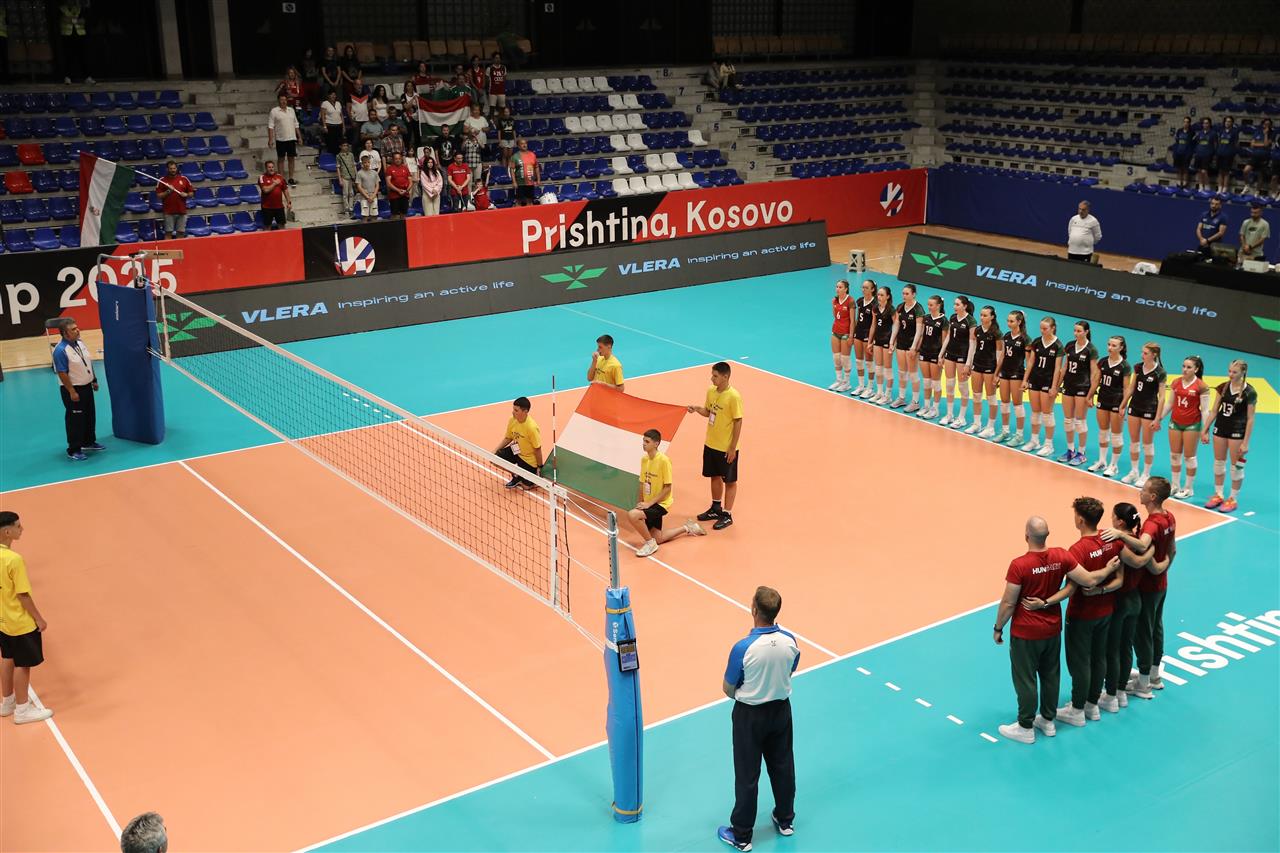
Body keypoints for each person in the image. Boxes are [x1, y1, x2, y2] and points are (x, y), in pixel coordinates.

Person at [992, 515, 1110, 744]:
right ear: (1047, 535)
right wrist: (1108, 568)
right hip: (1052, 630)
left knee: (1026, 680)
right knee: (1050, 675)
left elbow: (1008, 603)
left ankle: (1025, 726)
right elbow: (1087, 580)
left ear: (1026, 536)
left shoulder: (1019, 565)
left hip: (1026, 633)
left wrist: (998, 627)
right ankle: (1047, 721)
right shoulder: (1061, 555)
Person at [1019, 497, 1126, 727]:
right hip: (1106, 611)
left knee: (1080, 663)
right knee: (1099, 657)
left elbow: (1070, 589)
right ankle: (1092, 705)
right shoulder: (1112, 540)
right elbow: (1119, 580)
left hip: (1082, 616)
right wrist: (1102, 590)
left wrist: (1045, 602)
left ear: (1080, 520)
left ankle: (1077, 710)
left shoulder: (1078, 550)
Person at [717, 586, 798, 851]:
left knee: (747, 775)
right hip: (781, 712)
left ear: (754, 609)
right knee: (783, 766)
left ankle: (742, 835)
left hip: (749, 717)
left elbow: (728, 688)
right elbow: (790, 669)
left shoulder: (743, 648)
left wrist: (750, 693)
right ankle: (785, 820)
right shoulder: (790, 641)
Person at [1102, 477, 1176, 699]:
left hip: (1147, 587)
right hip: (1162, 584)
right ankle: (1154, 676)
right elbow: (1172, 550)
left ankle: (1143, 684)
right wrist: (1163, 568)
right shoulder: (1169, 517)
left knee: (1143, 633)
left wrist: (1120, 534)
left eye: (1143, 490)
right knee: (1156, 628)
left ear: (1152, 497)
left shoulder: (1152, 524)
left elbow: (1143, 547)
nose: (1140, 491)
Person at [1098, 502, 1155, 713]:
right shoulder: (1139, 540)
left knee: (1112, 650)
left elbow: (1135, 563)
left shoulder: (1119, 543)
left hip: (1119, 602)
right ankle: (1121, 692)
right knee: (1126, 647)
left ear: (1120, 522)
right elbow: (1143, 559)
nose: (1111, 519)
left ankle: (1111, 695)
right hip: (1135, 601)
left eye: (1113, 516)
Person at [0, 512, 53, 725]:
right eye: (18, 526)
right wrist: (39, 619)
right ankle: (22, 710)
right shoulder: (14, 560)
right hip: (19, 622)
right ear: (7, 531)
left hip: (2, 620)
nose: (22, 529)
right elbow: (23, 595)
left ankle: (7, 703)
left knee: (7, 658)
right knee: (23, 664)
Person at [628, 429, 706, 557]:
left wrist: (649, 504)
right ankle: (688, 527)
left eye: (647, 441)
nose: (644, 444)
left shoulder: (664, 461)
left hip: (660, 503)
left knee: (632, 515)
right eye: (643, 441)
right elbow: (642, 483)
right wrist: (640, 502)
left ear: (656, 444)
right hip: (649, 502)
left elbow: (667, 488)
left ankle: (650, 544)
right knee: (658, 538)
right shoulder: (644, 459)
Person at [689, 362, 742, 531]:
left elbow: (738, 421)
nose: (712, 378)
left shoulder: (733, 396)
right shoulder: (711, 391)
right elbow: (708, 412)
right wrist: (697, 409)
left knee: (730, 481)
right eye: (712, 375)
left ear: (725, 377)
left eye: (715, 376)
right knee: (714, 476)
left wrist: (732, 447)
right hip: (711, 443)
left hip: (726, 447)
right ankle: (716, 508)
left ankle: (727, 514)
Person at [1202, 359, 1256, 513]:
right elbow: (1214, 410)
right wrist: (1205, 429)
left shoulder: (1249, 392)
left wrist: (1246, 442)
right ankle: (1218, 494)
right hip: (1220, 428)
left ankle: (1233, 498)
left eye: (1234, 372)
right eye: (1229, 371)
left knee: (1236, 466)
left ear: (1243, 373)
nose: (1230, 374)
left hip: (1237, 431)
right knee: (1219, 463)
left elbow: (1250, 418)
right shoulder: (1223, 387)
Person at [52, 319, 103, 460]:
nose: (77, 330)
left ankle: (88, 442)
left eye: (77, 327)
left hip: (87, 387)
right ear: (65, 333)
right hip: (74, 390)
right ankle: (73, 449)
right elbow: (62, 373)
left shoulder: (80, 343)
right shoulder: (60, 350)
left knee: (89, 416)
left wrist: (94, 379)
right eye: (73, 329)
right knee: (75, 420)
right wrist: (72, 391)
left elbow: (87, 362)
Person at [1121, 342, 1166, 487]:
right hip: (1134, 407)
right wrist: (1123, 405)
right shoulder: (1138, 367)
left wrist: (1157, 418)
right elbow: (1131, 388)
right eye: (1142, 352)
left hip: (1149, 409)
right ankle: (1134, 471)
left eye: (1145, 353)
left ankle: (1146, 474)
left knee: (1147, 443)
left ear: (1154, 355)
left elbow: (1162, 397)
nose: (1142, 355)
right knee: (1134, 442)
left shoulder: (1160, 372)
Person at [1165, 356, 1209, 500]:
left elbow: (1205, 410)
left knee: (1189, 457)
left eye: (1189, 367)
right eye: (1183, 366)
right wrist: (1158, 418)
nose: (1185, 369)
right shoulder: (1176, 382)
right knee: (1174, 455)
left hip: (1192, 424)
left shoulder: (1201, 386)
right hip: (1175, 422)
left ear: (1196, 369)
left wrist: (1205, 430)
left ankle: (1189, 488)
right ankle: (1175, 485)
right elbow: (1170, 404)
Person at [1020, 316, 1064, 457]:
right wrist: (1025, 380)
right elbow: (1031, 362)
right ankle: (1034, 441)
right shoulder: (1037, 342)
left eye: (1045, 328)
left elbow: (1058, 368)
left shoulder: (1058, 345)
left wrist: (1054, 386)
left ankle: (1048, 445)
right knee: (1035, 412)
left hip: (1048, 381)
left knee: (1047, 413)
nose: (1042, 331)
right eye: (1041, 328)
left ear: (1053, 328)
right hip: (1035, 379)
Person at [1057, 321, 1100, 466]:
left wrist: (1091, 394)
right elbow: (1065, 367)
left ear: (1086, 332)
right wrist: (1057, 386)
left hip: (1083, 387)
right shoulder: (1070, 345)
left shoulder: (1091, 349)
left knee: (1080, 422)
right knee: (1068, 420)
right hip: (1069, 385)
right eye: (1075, 330)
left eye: (1079, 331)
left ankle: (1081, 453)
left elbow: (1094, 373)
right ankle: (1070, 450)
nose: (1076, 333)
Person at [1088, 335, 1132, 477]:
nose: (1110, 348)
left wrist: (1123, 406)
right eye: (1109, 345)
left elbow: (1126, 388)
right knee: (1103, 432)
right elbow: (1096, 380)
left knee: (1116, 435)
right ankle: (1102, 461)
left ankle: (1114, 465)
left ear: (1121, 348)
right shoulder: (1103, 362)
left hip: (1116, 401)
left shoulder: (1125, 366)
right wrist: (1090, 396)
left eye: (1114, 345)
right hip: (1103, 399)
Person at [940, 296, 976, 427]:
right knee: (949, 385)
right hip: (950, 354)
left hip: (963, 356)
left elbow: (972, 344)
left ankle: (961, 418)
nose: (955, 307)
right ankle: (949, 415)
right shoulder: (953, 318)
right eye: (954, 304)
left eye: (957, 304)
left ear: (965, 306)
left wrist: (968, 363)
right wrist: (941, 354)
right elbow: (948, 337)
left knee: (962, 387)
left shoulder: (971, 321)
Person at [493, 396, 542, 489]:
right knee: (495, 459)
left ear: (525, 411)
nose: (513, 412)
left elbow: (537, 449)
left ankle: (526, 478)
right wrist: (494, 451)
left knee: (526, 486)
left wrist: (540, 467)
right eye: (513, 409)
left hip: (528, 459)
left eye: (516, 410)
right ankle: (517, 475)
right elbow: (508, 438)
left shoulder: (531, 427)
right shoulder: (512, 420)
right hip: (516, 451)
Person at [996, 310, 1029, 444]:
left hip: (1017, 373)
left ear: (1019, 322)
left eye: (1011, 321)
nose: (1009, 323)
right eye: (1008, 321)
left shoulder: (1025, 339)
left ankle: (1019, 436)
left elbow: (1029, 362)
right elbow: (1002, 355)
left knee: (1017, 404)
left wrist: (1026, 380)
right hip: (1005, 372)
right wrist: (996, 373)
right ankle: (1005, 432)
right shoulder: (1007, 336)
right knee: (1004, 402)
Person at [967, 305, 1001, 436]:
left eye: (985, 315)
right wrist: (968, 364)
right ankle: (977, 424)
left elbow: (999, 355)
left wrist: (997, 373)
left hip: (990, 368)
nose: (982, 317)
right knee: (976, 395)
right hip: (977, 365)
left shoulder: (996, 333)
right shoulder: (977, 330)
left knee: (991, 398)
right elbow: (973, 348)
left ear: (992, 317)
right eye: (981, 315)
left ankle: (990, 427)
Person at [889, 284, 924, 410]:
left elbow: (919, 331)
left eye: (907, 293)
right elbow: (896, 324)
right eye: (903, 293)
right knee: (902, 372)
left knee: (913, 374)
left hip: (911, 345)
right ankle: (901, 398)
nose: (904, 296)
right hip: (901, 343)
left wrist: (914, 347)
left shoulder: (918, 309)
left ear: (913, 294)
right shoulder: (900, 307)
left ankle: (915, 402)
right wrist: (892, 342)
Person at [915, 294, 948, 420]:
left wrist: (942, 356)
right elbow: (922, 335)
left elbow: (944, 340)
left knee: (936, 383)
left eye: (931, 305)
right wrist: (917, 349)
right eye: (928, 305)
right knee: (926, 381)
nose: (929, 307)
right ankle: (926, 406)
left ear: (938, 305)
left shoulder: (943, 321)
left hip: (935, 354)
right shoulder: (926, 318)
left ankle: (935, 409)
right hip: (924, 352)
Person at [863, 285, 896, 405]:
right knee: (878, 367)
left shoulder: (891, 310)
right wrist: (870, 341)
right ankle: (879, 392)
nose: (879, 297)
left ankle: (888, 395)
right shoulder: (875, 308)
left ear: (888, 296)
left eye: (882, 295)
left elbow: (896, 326)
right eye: (878, 295)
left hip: (887, 341)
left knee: (888, 369)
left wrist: (893, 343)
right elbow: (873, 325)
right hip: (877, 340)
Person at [827, 279, 855, 392]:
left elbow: (853, 321)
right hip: (835, 331)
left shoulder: (850, 301)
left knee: (845, 358)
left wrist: (851, 336)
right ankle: (839, 380)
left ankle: (846, 382)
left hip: (846, 333)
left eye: (840, 287)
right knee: (836, 357)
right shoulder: (834, 300)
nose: (837, 289)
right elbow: (835, 316)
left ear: (846, 289)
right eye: (837, 287)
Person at [154, 160, 193, 240]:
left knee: (181, 233)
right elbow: (159, 196)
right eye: (171, 168)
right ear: (167, 169)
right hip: (168, 212)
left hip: (181, 211)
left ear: (176, 168)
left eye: (174, 168)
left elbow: (191, 193)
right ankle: (168, 248)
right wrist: (168, 191)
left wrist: (186, 195)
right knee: (168, 233)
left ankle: (179, 248)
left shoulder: (184, 179)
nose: (173, 170)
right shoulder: (162, 180)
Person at [851, 279, 877, 396]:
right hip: (859, 333)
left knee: (869, 362)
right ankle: (861, 385)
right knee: (858, 360)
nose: (863, 289)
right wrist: (853, 333)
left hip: (868, 335)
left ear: (872, 289)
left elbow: (874, 324)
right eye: (863, 287)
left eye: (866, 288)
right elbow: (858, 318)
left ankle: (870, 387)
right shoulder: (860, 301)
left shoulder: (875, 304)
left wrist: (871, 340)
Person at [267, 94, 300, 186]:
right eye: (282, 100)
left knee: (291, 158)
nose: (284, 101)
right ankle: (281, 179)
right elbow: (270, 126)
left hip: (291, 138)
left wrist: (299, 137)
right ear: (278, 101)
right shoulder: (274, 111)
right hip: (280, 139)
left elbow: (296, 124)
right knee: (281, 159)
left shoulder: (291, 110)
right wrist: (270, 139)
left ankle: (291, 178)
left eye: (285, 99)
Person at [1241, 118, 1273, 197]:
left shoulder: (1272, 133)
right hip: (1254, 156)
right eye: (1265, 124)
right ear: (1263, 124)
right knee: (1245, 171)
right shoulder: (1257, 132)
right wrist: (1262, 144)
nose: (1267, 125)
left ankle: (1257, 191)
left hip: (1264, 157)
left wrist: (1265, 134)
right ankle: (1247, 185)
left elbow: (1266, 144)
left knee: (1260, 175)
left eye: (1268, 124)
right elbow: (1252, 144)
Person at [257, 160, 291, 230]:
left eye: (272, 167)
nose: (271, 169)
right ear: (266, 168)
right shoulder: (262, 177)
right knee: (267, 227)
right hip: (267, 207)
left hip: (279, 207)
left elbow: (285, 190)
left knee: (282, 226)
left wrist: (289, 202)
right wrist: (275, 184)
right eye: (269, 167)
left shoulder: (280, 177)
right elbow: (265, 190)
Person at [511, 137, 541, 206]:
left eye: (525, 143)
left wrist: (538, 179)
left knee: (530, 201)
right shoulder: (515, 156)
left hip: (530, 182)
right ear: (518, 146)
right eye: (522, 144)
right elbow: (512, 170)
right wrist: (514, 182)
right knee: (519, 201)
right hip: (520, 183)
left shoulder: (532, 155)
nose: (524, 145)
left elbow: (536, 167)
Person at [1215, 115, 1240, 194]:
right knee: (1220, 171)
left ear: (1232, 123)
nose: (1227, 123)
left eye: (1229, 121)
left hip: (1228, 155)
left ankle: (1225, 189)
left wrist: (1232, 152)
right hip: (1220, 154)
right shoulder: (1221, 131)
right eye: (1226, 121)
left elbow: (1236, 144)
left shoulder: (1234, 132)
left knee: (1226, 172)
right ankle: (1219, 188)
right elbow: (1218, 142)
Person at [1191, 117, 1217, 191]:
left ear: (1210, 124)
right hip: (1199, 154)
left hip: (1207, 155)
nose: (1205, 125)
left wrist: (1214, 155)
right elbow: (1196, 142)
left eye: (1207, 123)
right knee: (1199, 171)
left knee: (1204, 171)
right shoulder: (1199, 133)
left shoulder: (1213, 133)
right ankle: (1200, 186)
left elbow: (1215, 145)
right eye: (1204, 123)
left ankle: (1207, 186)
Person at [384, 151, 411, 219]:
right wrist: (398, 190)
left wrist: (406, 190)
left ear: (401, 159)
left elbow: (410, 181)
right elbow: (388, 183)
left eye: (399, 158)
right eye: (396, 158)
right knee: (394, 215)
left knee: (404, 214)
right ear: (393, 160)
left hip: (405, 195)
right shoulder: (389, 169)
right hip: (394, 196)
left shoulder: (405, 168)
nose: (398, 160)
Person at [354, 154, 380, 221]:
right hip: (364, 198)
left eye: (368, 162)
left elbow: (377, 185)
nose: (367, 164)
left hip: (374, 197)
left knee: (374, 215)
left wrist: (373, 196)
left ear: (370, 162)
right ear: (362, 163)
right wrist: (367, 197)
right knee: (365, 216)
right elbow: (359, 186)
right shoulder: (359, 173)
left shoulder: (374, 172)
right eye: (365, 162)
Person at [1170, 116, 1193, 189]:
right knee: (1179, 169)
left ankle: (1185, 184)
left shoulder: (1192, 132)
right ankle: (1179, 183)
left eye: (1187, 122)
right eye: (1184, 122)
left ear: (1189, 123)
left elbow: (1192, 143)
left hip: (1186, 154)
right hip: (1179, 153)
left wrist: (1189, 153)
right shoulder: (1179, 131)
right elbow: (1177, 141)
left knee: (1185, 169)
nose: (1185, 123)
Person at [320, 89, 345, 155]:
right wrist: (324, 126)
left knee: (339, 143)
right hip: (330, 126)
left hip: (339, 126)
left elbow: (341, 115)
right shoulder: (325, 103)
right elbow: (323, 116)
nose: (333, 96)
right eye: (332, 95)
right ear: (328, 95)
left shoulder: (338, 103)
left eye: (334, 95)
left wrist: (343, 127)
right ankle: (331, 158)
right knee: (331, 144)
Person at [336, 141, 357, 215]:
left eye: (346, 145)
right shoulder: (338, 156)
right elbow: (338, 168)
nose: (345, 147)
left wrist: (356, 175)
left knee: (351, 193)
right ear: (341, 146)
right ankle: (346, 208)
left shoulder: (351, 155)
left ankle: (351, 207)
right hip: (344, 176)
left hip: (351, 176)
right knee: (345, 193)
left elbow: (354, 165)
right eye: (344, 145)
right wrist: (340, 179)